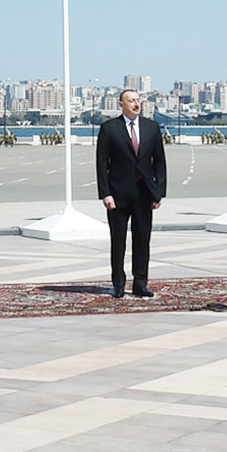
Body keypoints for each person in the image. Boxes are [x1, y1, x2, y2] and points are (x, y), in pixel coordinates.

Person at [95, 88, 166, 297]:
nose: (136, 104)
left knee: (142, 239)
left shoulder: (151, 128)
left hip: (144, 194)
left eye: (138, 100)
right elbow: (101, 164)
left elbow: (160, 163)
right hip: (118, 195)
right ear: (121, 105)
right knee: (118, 241)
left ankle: (140, 283)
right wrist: (105, 193)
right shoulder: (109, 129)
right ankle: (118, 284)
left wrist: (158, 192)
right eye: (131, 101)